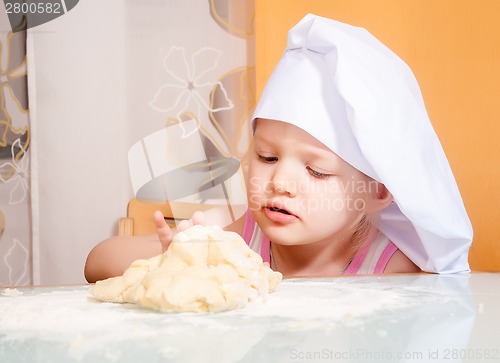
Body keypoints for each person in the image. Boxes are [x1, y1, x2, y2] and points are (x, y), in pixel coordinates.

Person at [85, 14, 472, 283]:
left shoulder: (391, 270)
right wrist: (175, 260)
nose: (280, 182)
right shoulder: (244, 239)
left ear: (377, 190)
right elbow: (98, 260)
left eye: (316, 170)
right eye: (266, 157)